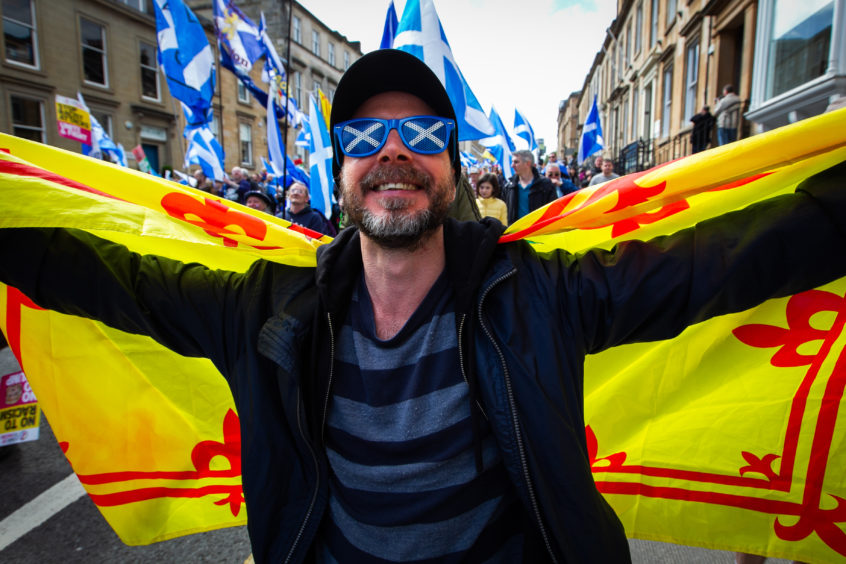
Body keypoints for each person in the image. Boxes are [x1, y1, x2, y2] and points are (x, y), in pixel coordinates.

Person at [1, 49, 845, 564]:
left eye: (421, 136)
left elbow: (726, 262)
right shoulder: (267, 310)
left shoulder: (537, 296)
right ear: (339, 174)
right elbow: (112, 280)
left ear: (451, 164)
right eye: (364, 140)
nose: (393, 153)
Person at [502, 150, 557, 224]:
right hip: (515, 233)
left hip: (537, 232)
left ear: (528, 163)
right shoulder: (509, 186)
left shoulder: (545, 185)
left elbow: (553, 212)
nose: (512, 165)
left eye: (516, 162)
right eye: (512, 162)